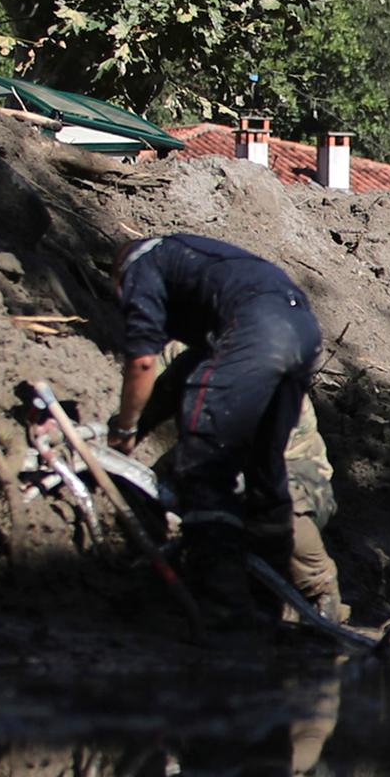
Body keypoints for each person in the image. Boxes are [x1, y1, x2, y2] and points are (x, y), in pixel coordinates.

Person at [110, 230, 341, 620]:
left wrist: (125, 430)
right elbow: (170, 386)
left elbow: (144, 362)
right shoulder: (220, 307)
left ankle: (225, 609)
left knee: (205, 472)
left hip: (306, 481)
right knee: (266, 485)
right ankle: (302, 599)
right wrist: (141, 429)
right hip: (303, 328)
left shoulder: (141, 265)